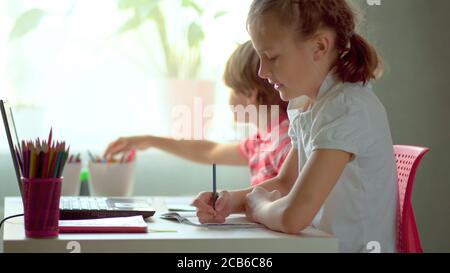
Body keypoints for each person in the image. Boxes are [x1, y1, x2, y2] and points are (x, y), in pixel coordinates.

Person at [191, 0, 397, 253]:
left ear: (319, 46)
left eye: (271, 57)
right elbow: (287, 182)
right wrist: (232, 200)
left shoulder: (346, 108)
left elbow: (293, 216)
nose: (262, 71)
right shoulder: (306, 105)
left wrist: (257, 207)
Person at [103, 41, 291, 187]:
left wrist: (231, 203)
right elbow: (209, 151)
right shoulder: (261, 141)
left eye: (231, 89)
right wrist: (150, 140)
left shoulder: (284, 141)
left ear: (250, 93)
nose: (227, 98)